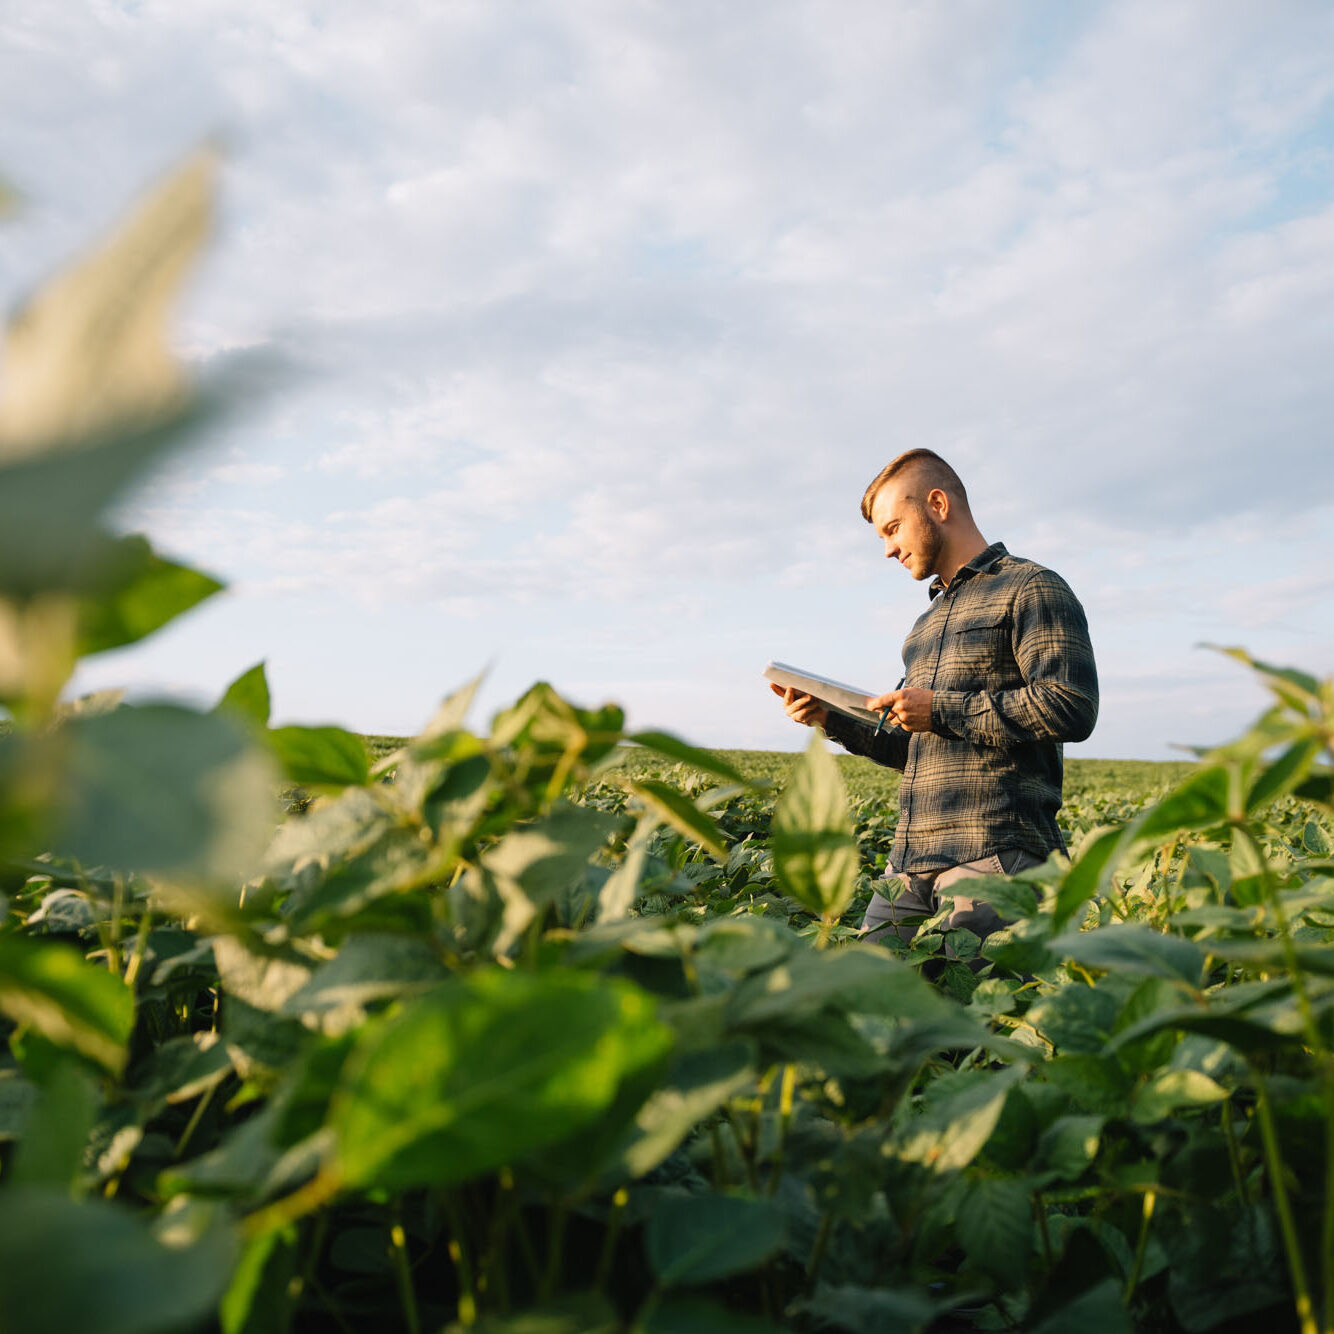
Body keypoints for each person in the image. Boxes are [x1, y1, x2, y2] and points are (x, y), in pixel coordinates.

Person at [770, 448, 1098, 953]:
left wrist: (940, 708)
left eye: (893, 528)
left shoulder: (1032, 588)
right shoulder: (924, 626)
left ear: (938, 504)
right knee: (864, 1004)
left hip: (995, 858)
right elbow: (913, 748)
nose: (888, 549)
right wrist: (831, 719)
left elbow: (1069, 704)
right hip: (908, 864)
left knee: (979, 1024)